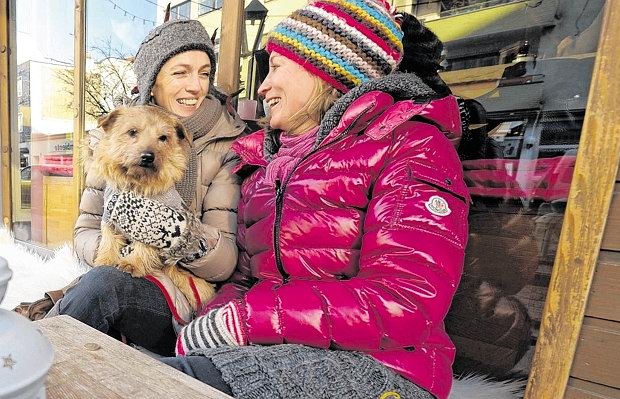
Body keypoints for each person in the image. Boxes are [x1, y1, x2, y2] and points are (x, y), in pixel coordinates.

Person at [159, 2, 468, 399]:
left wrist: (246, 321)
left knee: (178, 384)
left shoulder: (411, 145)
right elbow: (247, 280)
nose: (263, 87)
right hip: (281, 347)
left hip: (386, 367)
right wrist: (210, 321)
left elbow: (405, 299)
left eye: (275, 68)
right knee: (153, 352)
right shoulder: (267, 164)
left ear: (323, 70)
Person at [52, 19, 245, 357]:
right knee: (94, 292)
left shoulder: (227, 145)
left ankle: (26, 369)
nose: (195, 86)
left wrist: (175, 233)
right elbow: (85, 229)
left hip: (182, 298)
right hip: (115, 272)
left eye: (203, 73)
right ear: (152, 82)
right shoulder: (111, 142)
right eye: (181, 72)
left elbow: (224, 263)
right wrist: (115, 251)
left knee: (101, 289)